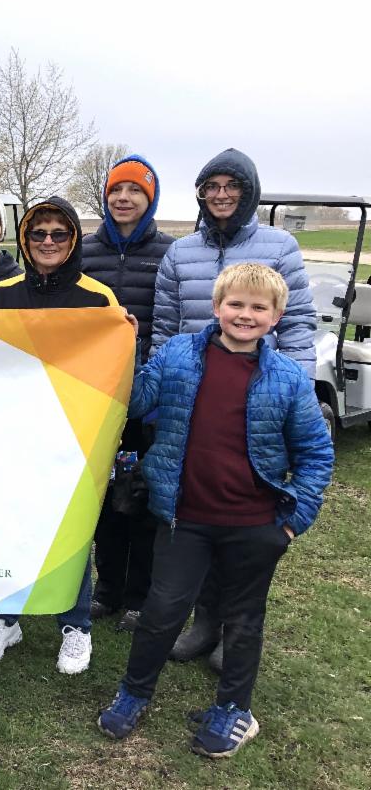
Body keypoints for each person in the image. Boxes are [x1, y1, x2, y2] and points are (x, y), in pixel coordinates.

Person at [97, 263, 331, 758]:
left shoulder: (288, 378)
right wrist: (123, 349)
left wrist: (292, 523)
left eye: (258, 307)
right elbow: (134, 402)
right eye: (236, 304)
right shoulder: (178, 354)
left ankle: (233, 709)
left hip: (254, 525)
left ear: (276, 316)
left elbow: (316, 454)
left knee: (243, 621)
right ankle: (134, 691)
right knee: (162, 611)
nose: (245, 315)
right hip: (184, 519)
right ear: (217, 306)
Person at [152, 148, 317, 670]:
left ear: (249, 191)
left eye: (232, 185)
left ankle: (234, 626)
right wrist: (161, 397)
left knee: (245, 515)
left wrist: (293, 391)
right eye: (212, 186)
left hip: (258, 397)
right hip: (192, 398)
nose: (221, 195)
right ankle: (205, 622)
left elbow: (299, 323)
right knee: (200, 508)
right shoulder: (180, 253)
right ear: (201, 194)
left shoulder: (280, 246)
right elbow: (165, 326)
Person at [0, 196, 126, 675]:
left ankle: (76, 625)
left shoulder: (98, 299)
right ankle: (5, 617)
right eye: (38, 233)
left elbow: (117, 373)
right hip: (12, 436)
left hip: (73, 439)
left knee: (71, 532)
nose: (47, 241)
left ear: (73, 239)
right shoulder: (1, 295)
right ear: (24, 238)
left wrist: (124, 335)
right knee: (9, 525)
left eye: (59, 233)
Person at [80, 156, 173, 632]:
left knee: (143, 497)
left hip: (145, 398)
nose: (124, 198)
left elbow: (168, 321)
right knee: (103, 499)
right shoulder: (84, 250)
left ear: (150, 199)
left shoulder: (169, 252)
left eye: (135, 190)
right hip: (94, 398)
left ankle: (140, 596)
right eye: (117, 189)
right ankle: (108, 589)